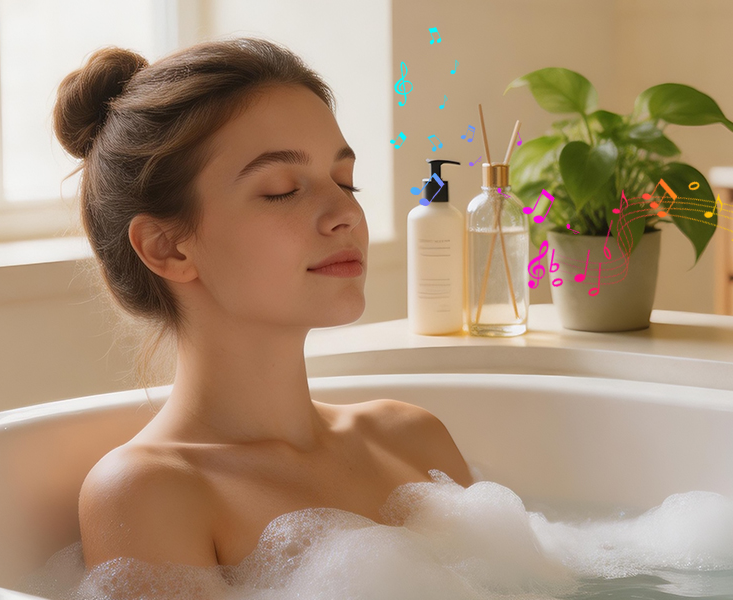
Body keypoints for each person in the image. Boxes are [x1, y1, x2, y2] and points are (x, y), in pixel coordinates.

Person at [54, 38, 473, 572]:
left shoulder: (413, 438)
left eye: (346, 180)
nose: (345, 211)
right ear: (168, 247)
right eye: (281, 190)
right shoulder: (151, 492)